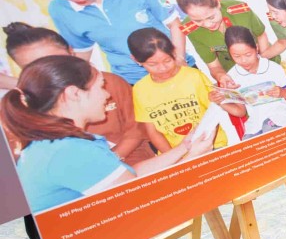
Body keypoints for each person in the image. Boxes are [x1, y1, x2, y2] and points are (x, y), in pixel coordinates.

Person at [2, 55, 213, 214]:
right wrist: (194, 158)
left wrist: (184, 148)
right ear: (74, 94)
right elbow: (142, 200)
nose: (107, 95)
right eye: (101, 87)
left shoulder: (55, 143)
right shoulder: (69, 150)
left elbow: (128, 174)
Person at [3, 23, 151, 167]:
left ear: (71, 51)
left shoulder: (109, 83)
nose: (50, 69)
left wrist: (108, 164)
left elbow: (137, 130)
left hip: (134, 164)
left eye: (56, 60)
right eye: (35, 66)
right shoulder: (25, 105)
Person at [41, 0, 187, 85]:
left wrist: (179, 59)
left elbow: (174, 23)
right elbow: (82, 51)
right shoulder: (60, 9)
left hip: (176, 69)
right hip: (131, 80)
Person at [127, 27, 229, 151]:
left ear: (174, 52)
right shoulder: (139, 89)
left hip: (211, 146)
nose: (163, 68)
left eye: (167, 61)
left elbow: (213, 113)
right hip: (173, 155)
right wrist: (173, 158)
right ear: (135, 59)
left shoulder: (194, 76)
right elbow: (153, 132)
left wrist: (207, 147)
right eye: (152, 64)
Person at [175, 0, 273, 87]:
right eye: (198, 21)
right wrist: (222, 76)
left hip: (264, 60)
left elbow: (261, 35)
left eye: (211, 17)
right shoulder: (192, 30)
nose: (207, 24)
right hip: (233, 72)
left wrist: (263, 64)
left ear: (217, 4)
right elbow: (213, 66)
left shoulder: (239, 10)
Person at [211, 26, 286, 138]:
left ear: (256, 48)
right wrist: (220, 102)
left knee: (271, 137)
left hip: (281, 119)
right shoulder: (232, 76)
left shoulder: (273, 68)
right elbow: (241, 112)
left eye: (248, 55)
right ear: (230, 54)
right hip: (254, 126)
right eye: (236, 56)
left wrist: (283, 93)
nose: (243, 60)